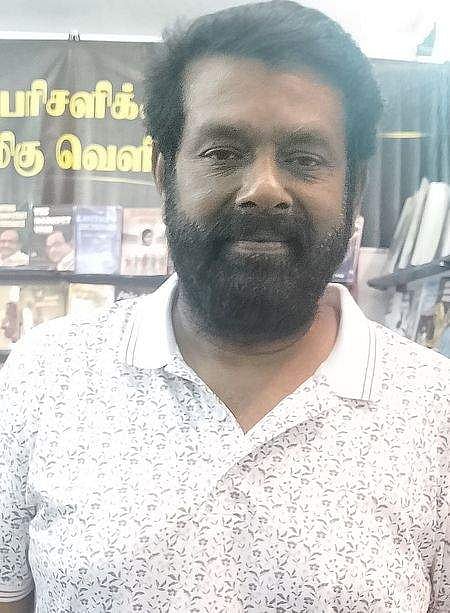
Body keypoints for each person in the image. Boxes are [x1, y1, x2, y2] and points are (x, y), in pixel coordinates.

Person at [0, 2, 448, 612]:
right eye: (222, 152)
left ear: (354, 186)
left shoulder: (435, 412)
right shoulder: (45, 378)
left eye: (305, 158)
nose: (263, 189)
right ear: (164, 173)